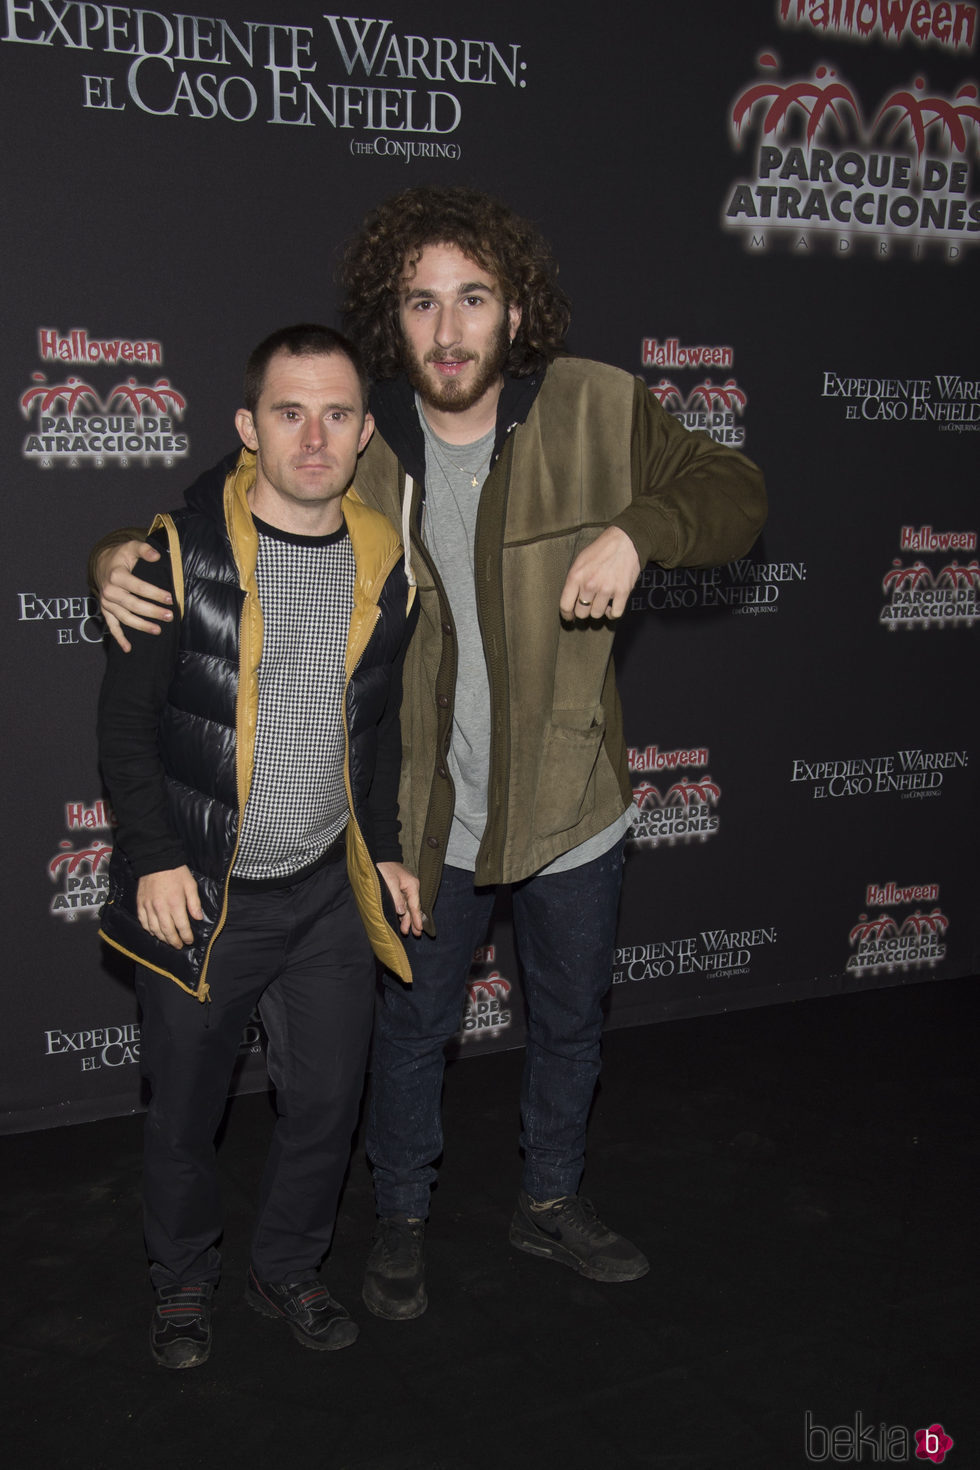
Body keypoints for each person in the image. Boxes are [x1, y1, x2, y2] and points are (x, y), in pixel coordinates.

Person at [94, 186, 767, 1326]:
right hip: (421, 817)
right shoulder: (357, 439)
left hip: (571, 804)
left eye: (472, 299)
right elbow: (216, 510)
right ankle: (399, 1218)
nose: (447, 330)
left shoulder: (600, 406)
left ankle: (548, 1200)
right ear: (388, 318)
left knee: (568, 1023)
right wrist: (114, 552)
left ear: (515, 310)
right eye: (420, 304)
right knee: (410, 1036)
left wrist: (636, 528)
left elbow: (732, 491)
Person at [96, 324, 421, 1369]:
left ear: (365, 431)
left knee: (327, 1104)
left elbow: (375, 729)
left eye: (336, 413)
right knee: (185, 1116)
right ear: (248, 427)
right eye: (289, 411)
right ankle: (183, 1281)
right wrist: (151, 857)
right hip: (205, 892)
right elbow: (126, 727)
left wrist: (391, 849)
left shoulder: (386, 559)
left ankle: (288, 1267)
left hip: (327, 894)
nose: (314, 436)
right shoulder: (174, 555)